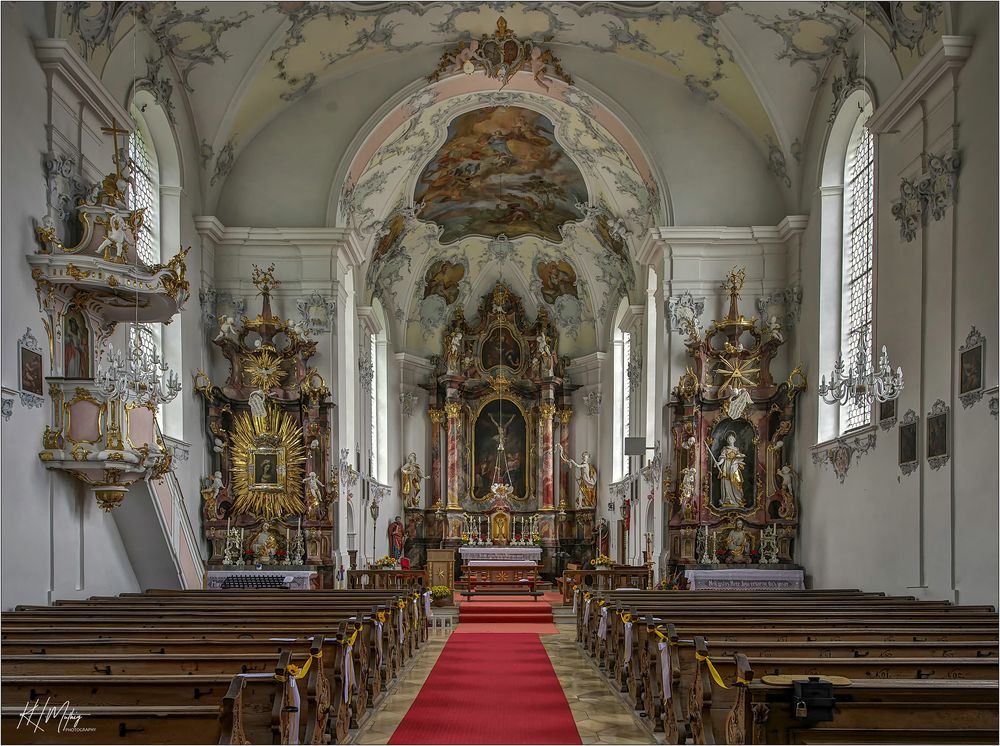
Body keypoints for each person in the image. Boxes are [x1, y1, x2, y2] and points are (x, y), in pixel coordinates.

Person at [710, 433, 746, 508]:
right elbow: (723, 458)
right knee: (727, 482)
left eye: (732, 438)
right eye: (729, 439)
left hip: (734, 467)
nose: (730, 440)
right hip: (726, 466)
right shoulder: (725, 449)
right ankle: (728, 499)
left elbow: (740, 458)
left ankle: (738, 499)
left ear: (734, 440)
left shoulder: (737, 450)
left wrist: (738, 457)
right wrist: (719, 463)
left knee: (737, 482)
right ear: (727, 440)